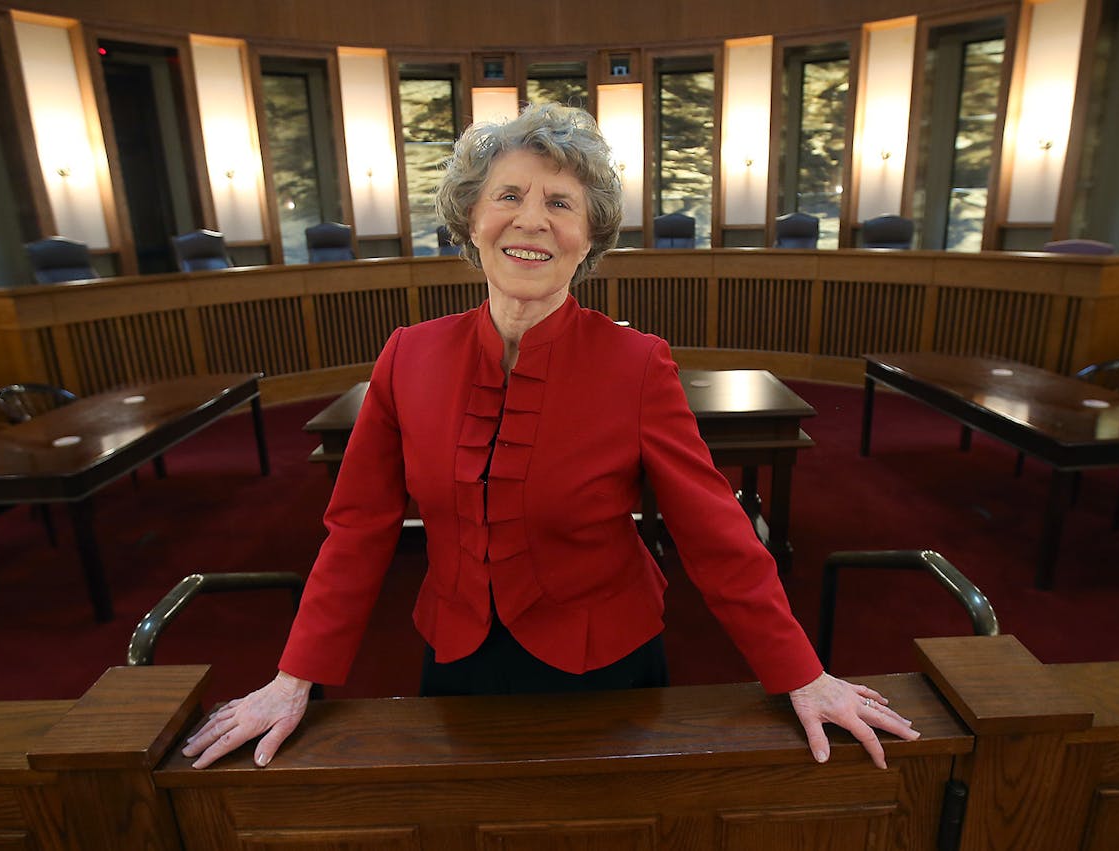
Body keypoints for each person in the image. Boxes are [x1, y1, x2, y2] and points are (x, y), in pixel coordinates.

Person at [183, 103, 918, 770]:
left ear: (589, 235)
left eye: (559, 202)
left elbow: (716, 532)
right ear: (471, 219)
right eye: (508, 195)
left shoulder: (638, 364)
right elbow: (357, 528)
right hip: (457, 656)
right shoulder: (408, 353)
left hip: (606, 665)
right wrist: (293, 677)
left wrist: (801, 672)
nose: (530, 220)